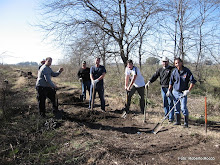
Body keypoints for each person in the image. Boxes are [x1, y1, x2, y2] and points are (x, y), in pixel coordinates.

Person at [167, 58, 196, 127]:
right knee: (176, 108)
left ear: (181, 62)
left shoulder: (187, 71)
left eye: (178, 62)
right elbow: (171, 82)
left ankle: (186, 123)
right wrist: (169, 90)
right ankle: (178, 121)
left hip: (183, 93)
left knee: (183, 107)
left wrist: (188, 90)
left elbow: (193, 81)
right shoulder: (174, 71)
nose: (177, 64)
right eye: (176, 63)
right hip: (175, 92)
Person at [145, 57, 175, 122]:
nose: (164, 63)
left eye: (165, 61)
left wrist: (170, 89)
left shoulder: (172, 69)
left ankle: (171, 118)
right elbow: (154, 76)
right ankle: (166, 115)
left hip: (170, 88)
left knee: (170, 102)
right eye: (163, 61)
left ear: (168, 61)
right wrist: (149, 82)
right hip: (163, 88)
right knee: (165, 102)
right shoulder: (160, 69)